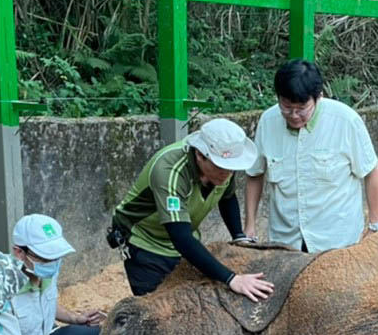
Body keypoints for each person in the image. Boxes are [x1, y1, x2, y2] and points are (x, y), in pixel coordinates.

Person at [107, 118, 273, 301]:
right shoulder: (169, 171)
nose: (227, 175)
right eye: (222, 168)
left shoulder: (223, 170)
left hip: (185, 242)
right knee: (159, 310)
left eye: (232, 169)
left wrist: (239, 236)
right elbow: (180, 237)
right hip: (147, 243)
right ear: (200, 156)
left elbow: (227, 197)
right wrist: (232, 279)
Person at [245, 59, 378, 253]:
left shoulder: (346, 121)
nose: (293, 115)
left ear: (318, 97)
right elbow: (255, 174)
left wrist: (375, 224)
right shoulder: (268, 121)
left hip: (338, 243)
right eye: (285, 106)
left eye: (301, 109)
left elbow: (371, 171)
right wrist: (249, 227)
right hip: (284, 243)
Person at [0, 213, 115, 335]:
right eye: (46, 257)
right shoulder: (1, 291)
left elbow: (47, 304)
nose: (54, 263)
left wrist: (75, 318)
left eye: (57, 256)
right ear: (19, 253)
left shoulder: (44, 271)